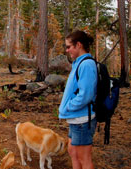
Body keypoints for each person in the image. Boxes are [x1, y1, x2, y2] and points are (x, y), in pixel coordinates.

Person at [59, 30, 97, 169]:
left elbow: (85, 95)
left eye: (69, 46)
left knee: (84, 159)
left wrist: (68, 106)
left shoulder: (86, 65)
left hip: (82, 120)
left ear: (79, 45)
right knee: (73, 152)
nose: (67, 50)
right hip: (76, 119)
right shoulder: (79, 63)